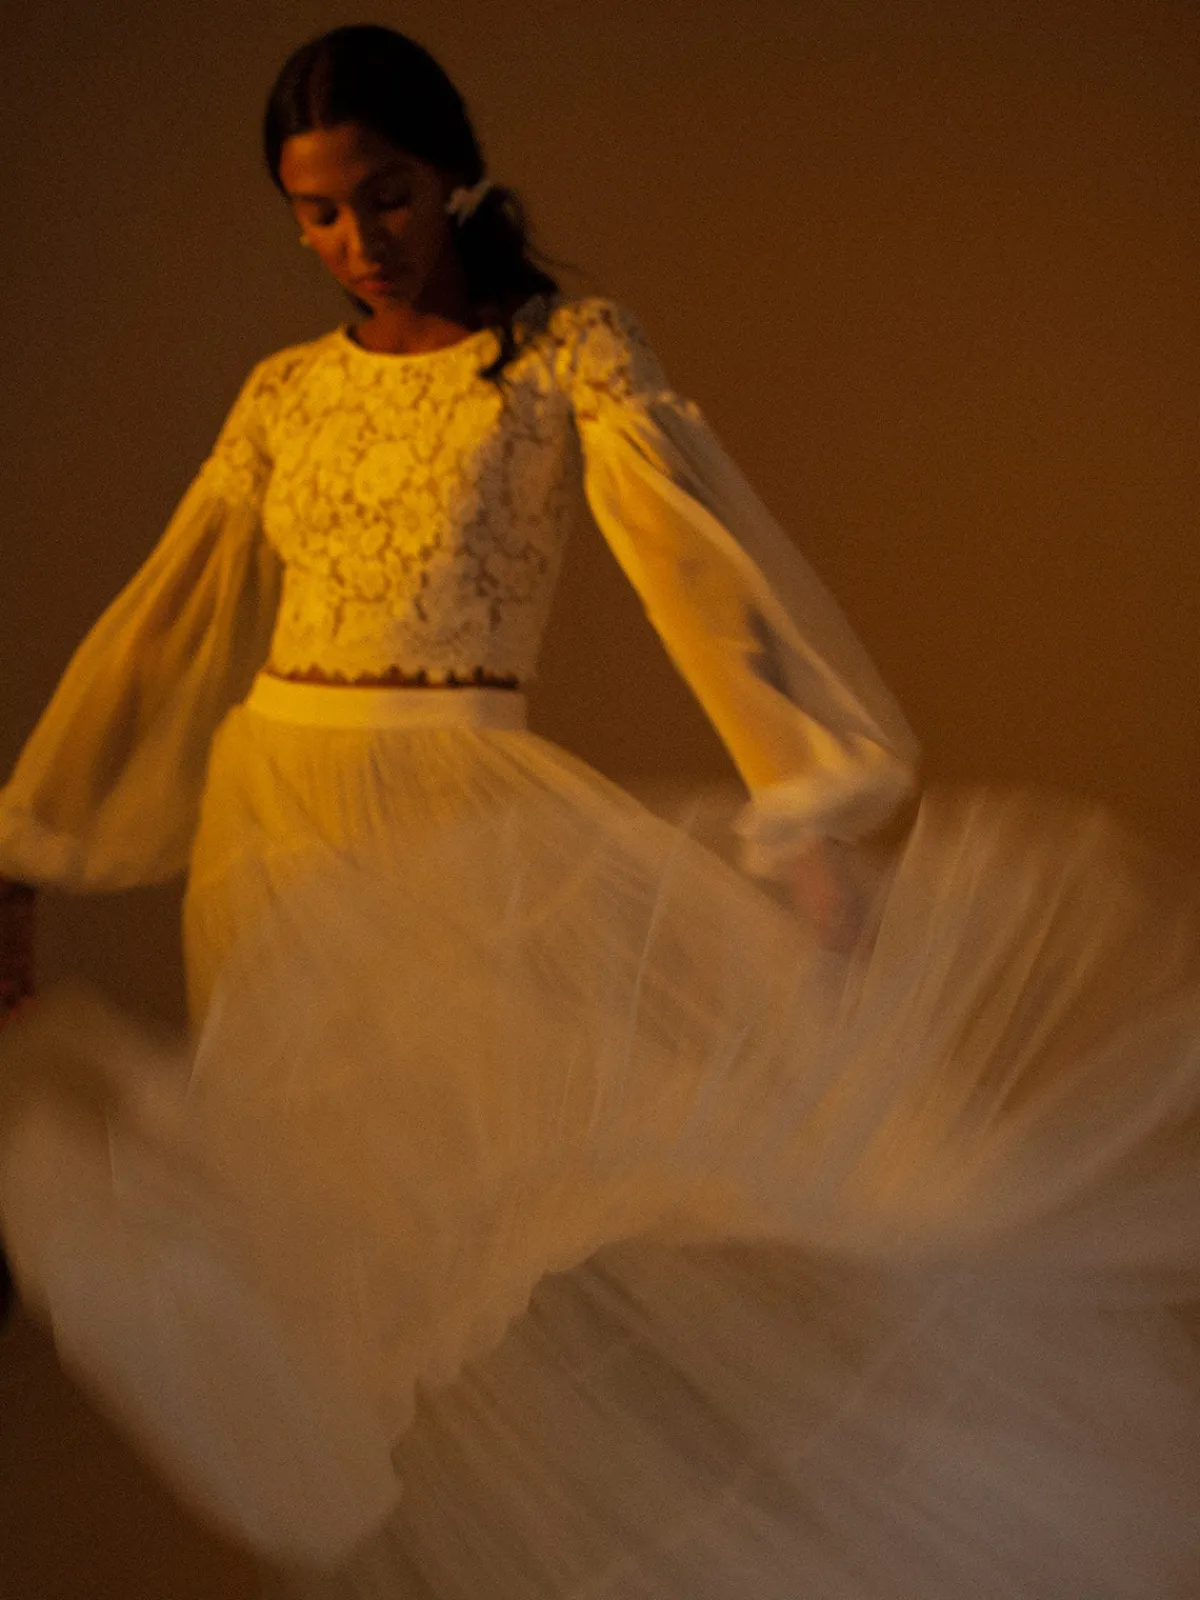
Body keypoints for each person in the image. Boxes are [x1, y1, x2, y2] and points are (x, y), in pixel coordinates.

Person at [1, 24, 1198, 1599]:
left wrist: (803, 809)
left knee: (534, 1220)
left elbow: (711, 583)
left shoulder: (567, 355)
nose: (358, 240)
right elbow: (171, 621)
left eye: (387, 194)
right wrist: (29, 843)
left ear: (453, 172)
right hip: (270, 819)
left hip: (450, 809)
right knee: (344, 1244)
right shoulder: (282, 395)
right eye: (317, 212)